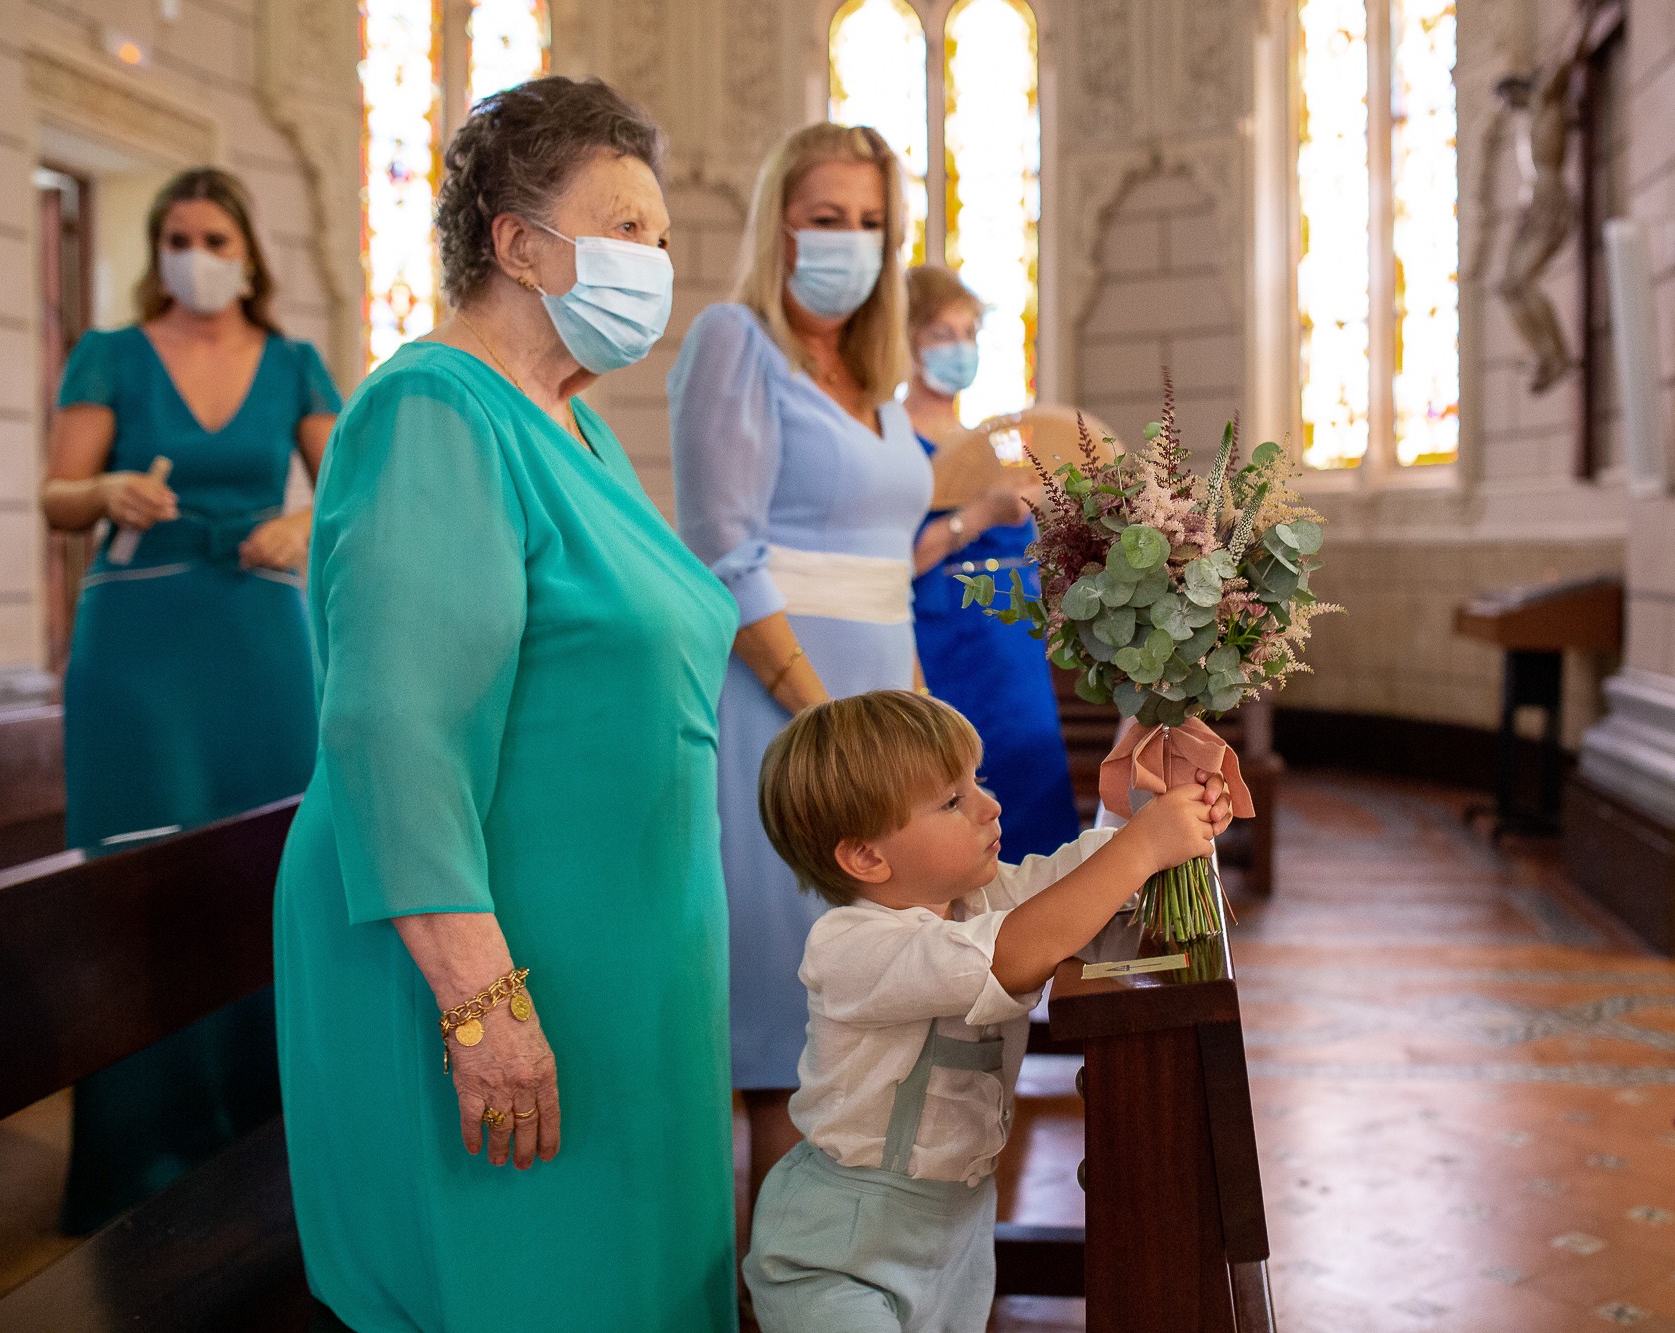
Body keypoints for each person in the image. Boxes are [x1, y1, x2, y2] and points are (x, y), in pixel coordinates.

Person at [273, 77, 738, 1330]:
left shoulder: (577, 426)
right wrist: (481, 1003)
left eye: (659, 234)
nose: (657, 259)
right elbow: (394, 727)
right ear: (520, 244)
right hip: (495, 968)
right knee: (530, 1284)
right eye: (626, 226)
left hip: (620, 956)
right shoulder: (434, 410)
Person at [40, 166, 340, 1233]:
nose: (195, 252)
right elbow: (55, 493)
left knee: (269, 864)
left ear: (247, 252)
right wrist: (104, 489)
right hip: (139, 646)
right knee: (143, 875)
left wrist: (303, 526)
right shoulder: (110, 355)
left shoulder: (296, 363)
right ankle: (141, 1157)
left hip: (262, 639)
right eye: (177, 235)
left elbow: (347, 488)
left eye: (214, 235)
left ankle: (269, 1140)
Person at [744, 691, 1232, 1332]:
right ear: (866, 857)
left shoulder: (980, 894)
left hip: (960, 1226)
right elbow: (1012, 954)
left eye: (977, 781)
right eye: (953, 801)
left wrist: (1170, 814)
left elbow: (1070, 885)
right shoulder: (850, 947)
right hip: (843, 1246)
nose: (989, 806)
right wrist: (1142, 849)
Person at [668, 124, 934, 1220]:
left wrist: (919, 733)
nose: (849, 242)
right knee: (794, 1028)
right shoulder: (736, 340)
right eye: (826, 218)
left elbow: (887, 570)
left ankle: (852, 1273)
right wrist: (833, 726)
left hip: (882, 702)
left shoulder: (878, 379)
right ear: (779, 224)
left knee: (880, 1013)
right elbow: (723, 550)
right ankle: (774, 1286)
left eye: (869, 223)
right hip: (785, 720)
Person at [904, 265, 1078, 860]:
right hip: (945, 651)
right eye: (940, 334)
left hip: (1016, 654)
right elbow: (891, 561)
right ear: (903, 343)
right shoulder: (891, 443)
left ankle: (1041, 945)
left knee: (1034, 819)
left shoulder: (988, 441)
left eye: (968, 333)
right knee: (953, 806)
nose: (959, 348)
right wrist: (976, 515)